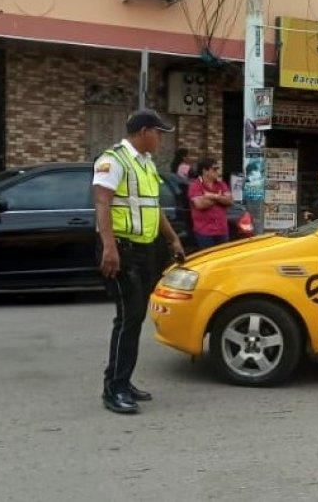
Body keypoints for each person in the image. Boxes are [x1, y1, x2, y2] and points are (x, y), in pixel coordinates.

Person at [92, 109, 186, 415]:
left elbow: (153, 207)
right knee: (128, 318)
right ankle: (114, 389)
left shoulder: (145, 163)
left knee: (135, 318)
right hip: (122, 249)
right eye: (158, 133)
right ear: (144, 131)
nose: (160, 139)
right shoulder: (114, 159)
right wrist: (109, 247)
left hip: (145, 249)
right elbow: (102, 203)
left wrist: (172, 239)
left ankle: (124, 381)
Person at [189, 158, 232, 249]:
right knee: (208, 259)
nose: (218, 172)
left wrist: (212, 196)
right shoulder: (195, 186)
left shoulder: (222, 185)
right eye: (214, 169)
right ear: (205, 171)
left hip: (222, 230)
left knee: (223, 258)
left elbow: (229, 201)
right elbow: (200, 204)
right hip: (204, 232)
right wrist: (219, 197)